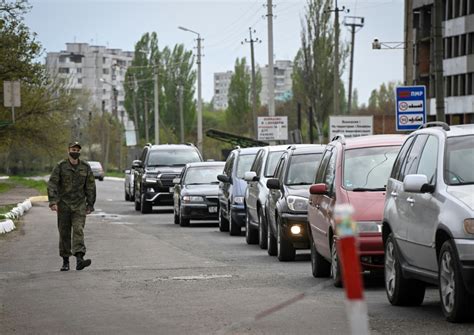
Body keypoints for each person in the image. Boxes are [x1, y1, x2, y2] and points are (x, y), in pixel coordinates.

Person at [47, 142, 96, 271]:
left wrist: (90, 204)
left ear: (80, 152)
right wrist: (53, 202)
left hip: (79, 205)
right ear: (68, 151)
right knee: (64, 233)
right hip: (63, 205)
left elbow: (90, 186)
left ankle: (80, 259)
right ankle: (65, 261)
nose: (75, 151)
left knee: (78, 230)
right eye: (73, 149)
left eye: (77, 150)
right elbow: (52, 183)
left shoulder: (85, 167)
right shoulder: (60, 166)